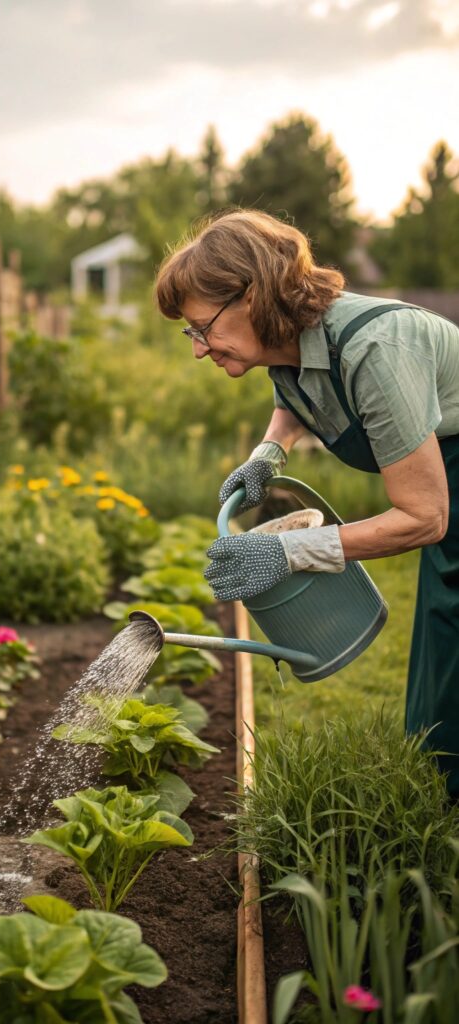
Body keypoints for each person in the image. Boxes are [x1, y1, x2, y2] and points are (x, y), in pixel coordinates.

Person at [154, 209, 459, 796]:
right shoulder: (289, 343)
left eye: (202, 327)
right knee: (442, 646)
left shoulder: (374, 349)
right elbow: (296, 392)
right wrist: (270, 451)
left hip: (440, 488)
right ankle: (438, 799)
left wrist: (293, 552)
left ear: (254, 296)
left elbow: (425, 517)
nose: (198, 349)